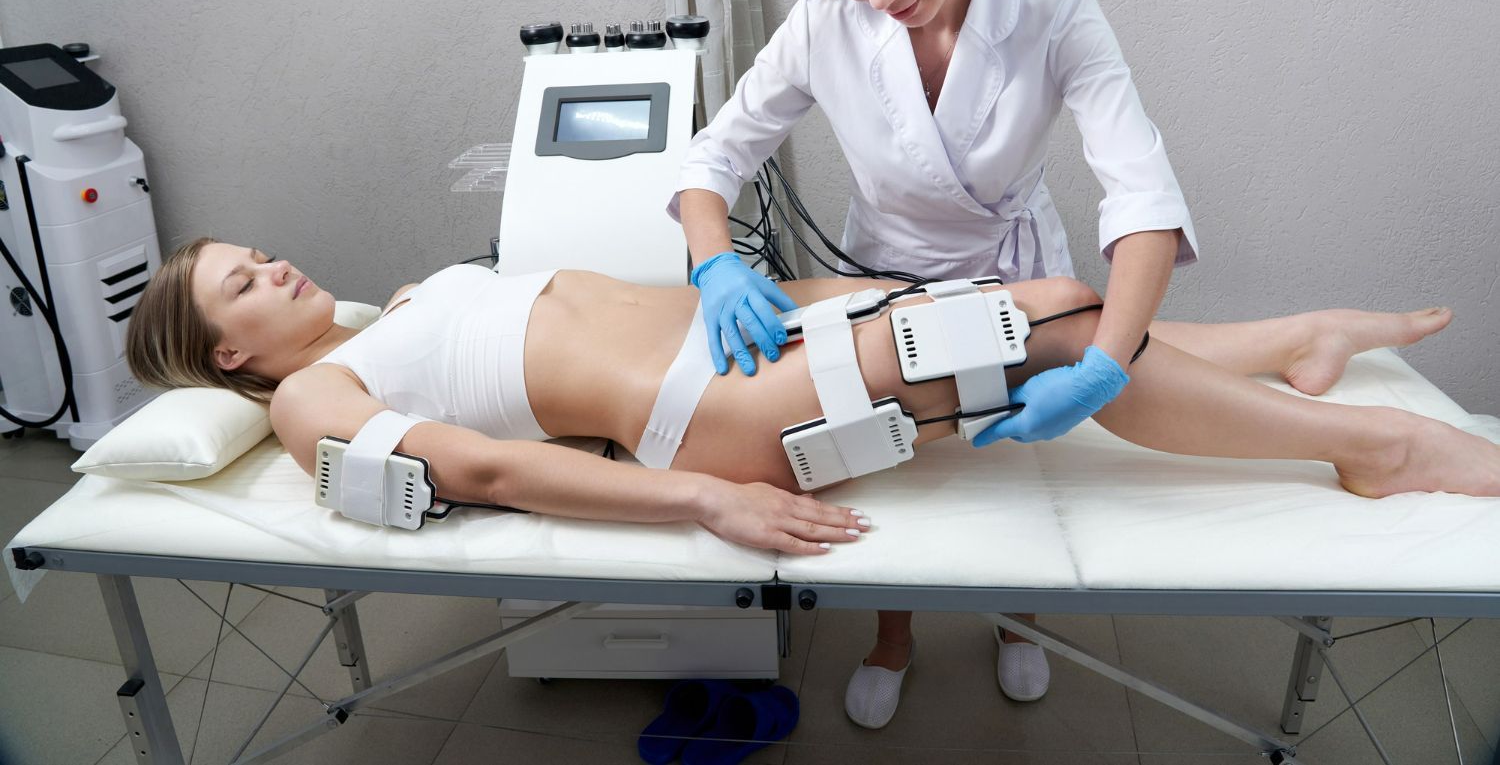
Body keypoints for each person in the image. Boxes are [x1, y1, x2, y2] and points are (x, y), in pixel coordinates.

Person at [670, 0, 1196, 720]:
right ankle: (893, 633)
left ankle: (1017, 621)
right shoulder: (829, 21)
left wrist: (1109, 363)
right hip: (886, 279)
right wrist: (714, 260)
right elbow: (715, 153)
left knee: (1012, 467)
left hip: (1016, 273)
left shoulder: (1056, 11)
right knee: (889, 466)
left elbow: (1143, 193)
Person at [127, 240, 1496, 568]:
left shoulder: (399, 302)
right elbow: (478, 474)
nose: (270, 262)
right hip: (708, 412)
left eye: (253, 248)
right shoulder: (315, 399)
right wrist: (705, 496)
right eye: (240, 278)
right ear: (231, 355)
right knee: (1050, 331)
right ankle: (1374, 445)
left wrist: (816, 287)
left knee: (1050, 301)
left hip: (755, 335)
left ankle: (1289, 345)